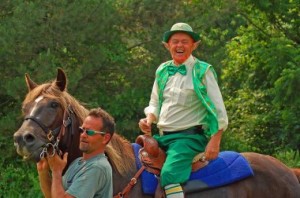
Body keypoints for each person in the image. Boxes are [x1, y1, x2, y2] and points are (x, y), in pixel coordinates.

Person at [138, 22, 228, 198]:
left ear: (193, 45)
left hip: (189, 139)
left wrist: (215, 139)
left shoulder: (203, 71)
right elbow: (155, 102)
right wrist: (149, 119)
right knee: (133, 163)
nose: (179, 45)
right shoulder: (163, 70)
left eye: (184, 41)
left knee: (170, 175)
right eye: (175, 41)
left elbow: (218, 108)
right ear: (167, 45)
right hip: (162, 137)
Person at [37, 107, 116, 198]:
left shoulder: (97, 167)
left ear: (105, 138)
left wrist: (56, 171)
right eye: (81, 130)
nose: (83, 135)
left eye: (89, 132)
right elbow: (54, 196)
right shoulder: (77, 162)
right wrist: (43, 172)